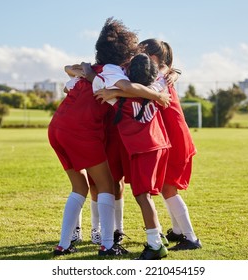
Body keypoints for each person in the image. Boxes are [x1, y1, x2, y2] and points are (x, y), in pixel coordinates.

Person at [95, 39, 202, 251]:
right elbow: (143, 88)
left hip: (171, 138)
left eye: (140, 53)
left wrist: (115, 91)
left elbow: (140, 91)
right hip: (164, 138)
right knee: (164, 188)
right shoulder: (160, 76)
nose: (134, 57)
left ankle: (189, 237)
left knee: (167, 189)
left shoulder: (159, 76)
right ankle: (179, 232)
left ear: (154, 58)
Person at [48, 17, 139, 257]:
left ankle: (64, 244)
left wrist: (87, 73)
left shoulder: (94, 70)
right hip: (81, 131)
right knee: (107, 184)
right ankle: (108, 245)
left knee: (80, 186)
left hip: (57, 127)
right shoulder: (112, 71)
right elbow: (124, 88)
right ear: (125, 54)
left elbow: (69, 78)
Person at [83, 53, 171, 260]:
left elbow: (94, 82)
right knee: (145, 195)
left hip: (142, 149)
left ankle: (155, 245)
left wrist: (89, 71)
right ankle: (157, 235)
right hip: (158, 145)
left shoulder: (116, 97)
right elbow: (159, 82)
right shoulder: (156, 88)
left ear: (129, 73)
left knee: (142, 197)